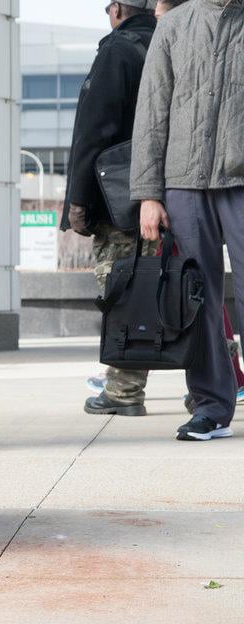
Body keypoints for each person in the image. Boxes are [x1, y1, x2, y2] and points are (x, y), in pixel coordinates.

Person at [131, 0, 244, 441]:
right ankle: (211, 406)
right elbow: (152, 112)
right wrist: (147, 195)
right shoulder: (175, 25)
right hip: (183, 181)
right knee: (196, 299)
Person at [59, 0, 157, 417]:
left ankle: (123, 391)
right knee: (189, 289)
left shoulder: (117, 50)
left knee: (124, 291)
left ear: (117, 9)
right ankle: (211, 386)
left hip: (122, 200)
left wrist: (77, 201)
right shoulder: (171, 43)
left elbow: (92, 132)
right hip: (181, 193)